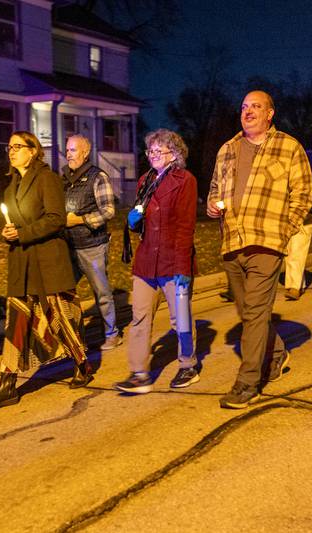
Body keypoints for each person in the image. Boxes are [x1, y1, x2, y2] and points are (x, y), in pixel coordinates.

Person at [207, 90, 312, 408]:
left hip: (267, 241)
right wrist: (213, 206)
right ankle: (277, 355)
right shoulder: (227, 149)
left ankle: (248, 382)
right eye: (243, 107)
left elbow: (304, 192)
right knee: (248, 312)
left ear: (270, 114)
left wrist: (285, 228)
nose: (248, 111)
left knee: (253, 312)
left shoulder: (288, 146)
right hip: (232, 240)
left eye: (256, 106)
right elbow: (214, 189)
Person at [0, 131, 92, 410]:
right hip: (22, 262)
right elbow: (16, 224)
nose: (12, 151)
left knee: (59, 316)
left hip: (47, 260)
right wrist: (9, 232)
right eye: (9, 146)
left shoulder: (47, 179)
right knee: (16, 321)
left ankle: (81, 362)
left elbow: (56, 220)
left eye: (18, 146)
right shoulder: (11, 187)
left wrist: (23, 233)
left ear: (33, 151)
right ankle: (8, 384)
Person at [114, 129, 198, 394]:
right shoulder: (145, 180)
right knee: (139, 317)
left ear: (174, 154)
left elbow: (186, 227)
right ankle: (139, 374)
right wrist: (134, 220)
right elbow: (142, 216)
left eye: (157, 150)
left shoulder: (185, 180)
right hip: (147, 259)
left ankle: (188, 364)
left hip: (174, 260)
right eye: (149, 151)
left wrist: (184, 268)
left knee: (180, 317)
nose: (152, 155)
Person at [61, 134, 121, 351]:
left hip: (93, 246)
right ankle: (75, 338)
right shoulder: (64, 178)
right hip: (69, 246)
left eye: (73, 150)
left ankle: (112, 333)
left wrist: (81, 219)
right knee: (64, 292)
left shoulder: (98, 177)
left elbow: (108, 211)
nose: (69, 154)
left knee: (102, 293)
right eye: (67, 150)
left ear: (85, 152)